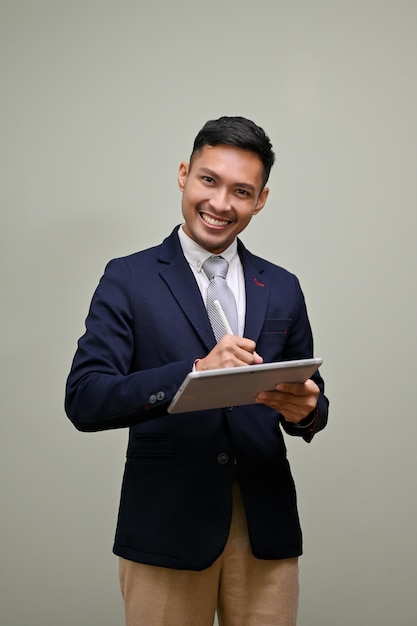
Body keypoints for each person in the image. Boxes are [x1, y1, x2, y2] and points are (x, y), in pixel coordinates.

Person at [65, 115, 328, 626]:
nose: (221, 204)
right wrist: (194, 371)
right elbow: (85, 398)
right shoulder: (128, 278)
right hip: (167, 523)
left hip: (264, 525)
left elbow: (313, 401)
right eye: (209, 180)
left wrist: (307, 411)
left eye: (242, 191)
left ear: (261, 199)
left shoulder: (283, 285)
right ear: (184, 173)